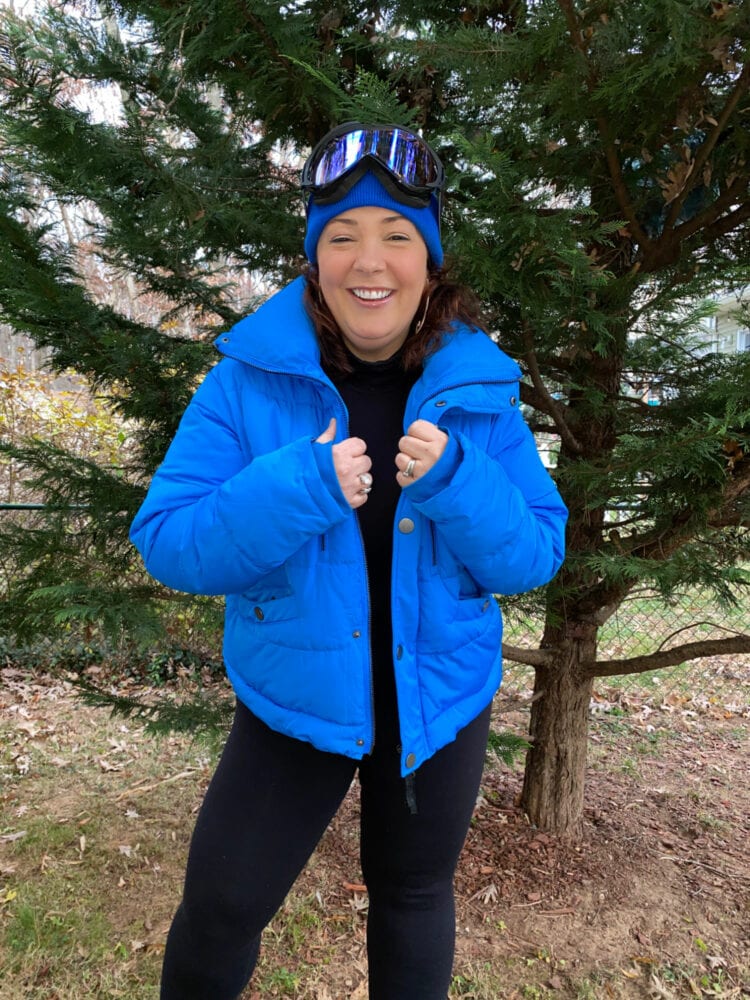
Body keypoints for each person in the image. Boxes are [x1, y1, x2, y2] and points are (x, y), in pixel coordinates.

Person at [130, 122, 568, 1000]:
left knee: (412, 896)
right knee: (219, 909)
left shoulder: (479, 390)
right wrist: (299, 486)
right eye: (343, 237)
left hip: (435, 703)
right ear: (315, 259)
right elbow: (169, 539)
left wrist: (452, 479)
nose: (371, 261)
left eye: (397, 236)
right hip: (296, 701)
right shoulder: (247, 382)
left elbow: (535, 552)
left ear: (429, 259)